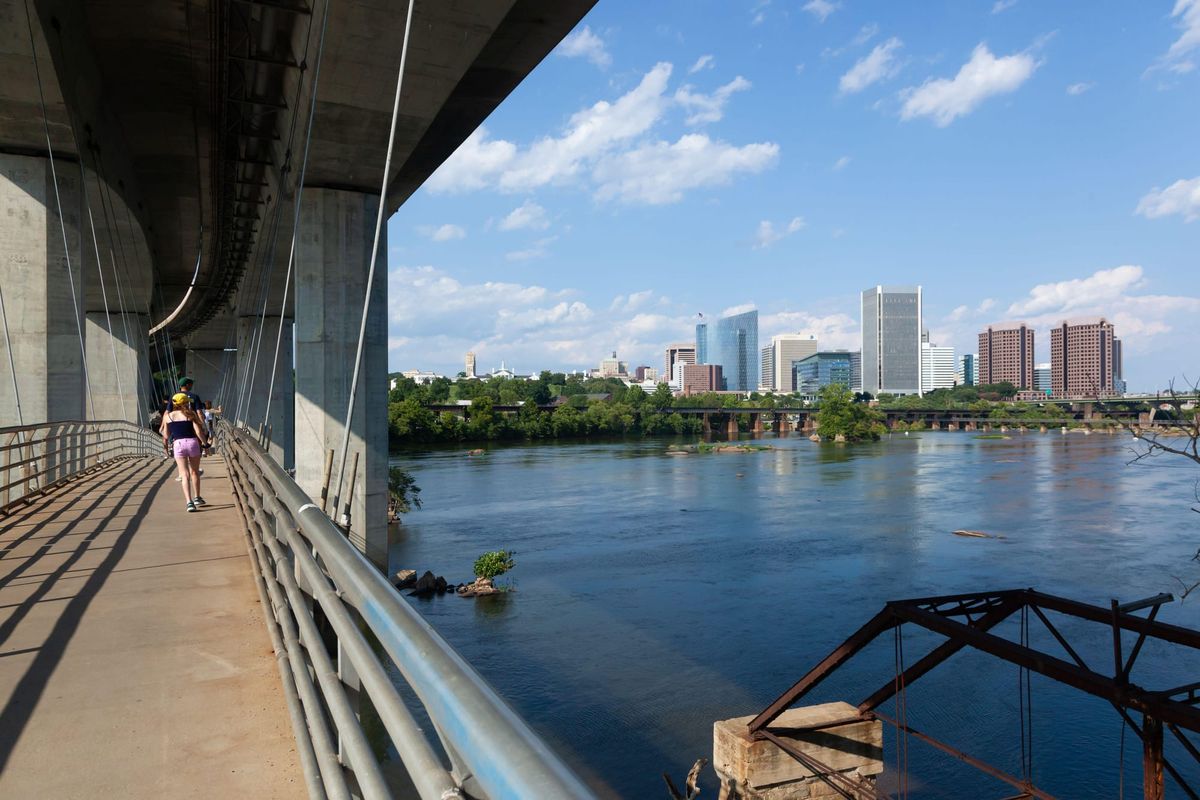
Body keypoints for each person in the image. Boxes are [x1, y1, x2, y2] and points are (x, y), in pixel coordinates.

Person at [162, 392, 211, 512]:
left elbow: (166, 435)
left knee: (184, 475)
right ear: (186, 403)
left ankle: (189, 502)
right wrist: (205, 444)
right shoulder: (191, 414)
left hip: (178, 444)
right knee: (194, 472)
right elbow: (198, 432)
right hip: (192, 443)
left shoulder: (168, 416)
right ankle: (197, 498)